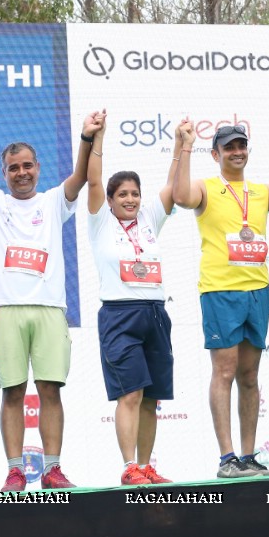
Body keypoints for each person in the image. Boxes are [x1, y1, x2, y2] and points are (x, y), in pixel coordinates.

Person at [0, 99, 95, 491]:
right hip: (6, 307)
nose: (22, 173)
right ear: (5, 173)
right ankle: (14, 469)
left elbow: (80, 175)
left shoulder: (52, 200)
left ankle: (53, 468)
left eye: (28, 166)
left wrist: (86, 137)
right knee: (12, 391)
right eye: (14, 168)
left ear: (38, 168)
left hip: (49, 308)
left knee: (49, 389)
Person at [173, 117, 269, 478]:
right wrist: (185, 144)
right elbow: (180, 197)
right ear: (216, 153)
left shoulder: (261, 192)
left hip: (257, 290)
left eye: (241, 146)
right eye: (229, 147)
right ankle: (227, 458)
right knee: (224, 371)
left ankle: (248, 456)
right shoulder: (205, 188)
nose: (237, 152)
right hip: (220, 290)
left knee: (249, 376)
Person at [85, 111, 183, 485]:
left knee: (151, 397)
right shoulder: (99, 220)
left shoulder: (150, 218)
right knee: (130, 392)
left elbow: (173, 186)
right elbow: (93, 179)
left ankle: (147, 466)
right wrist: (99, 137)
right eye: (122, 194)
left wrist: (179, 143)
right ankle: (129, 468)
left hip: (156, 313)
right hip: (119, 314)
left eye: (135, 193)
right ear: (109, 200)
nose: (130, 199)